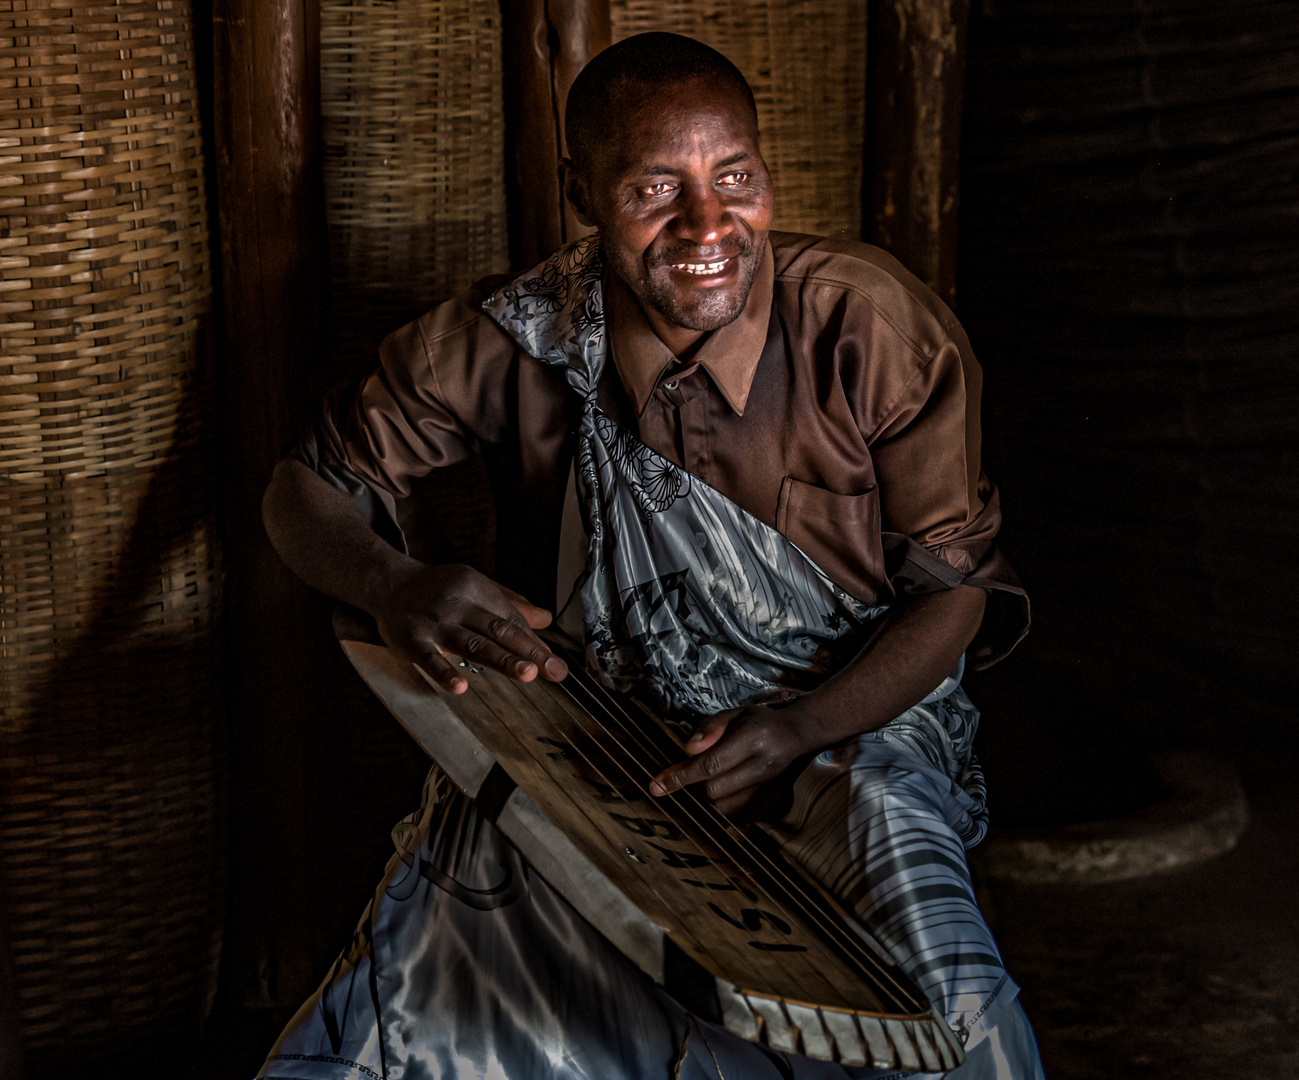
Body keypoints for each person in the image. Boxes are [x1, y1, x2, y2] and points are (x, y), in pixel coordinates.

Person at [257, 31, 1042, 1080]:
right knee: (450, 953)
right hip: (606, 737)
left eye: (737, 179)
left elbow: (958, 598)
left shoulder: (869, 325)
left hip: (852, 727)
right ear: (583, 193)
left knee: (928, 994)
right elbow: (304, 488)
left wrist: (798, 728)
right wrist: (391, 581)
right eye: (653, 188)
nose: (708, 225)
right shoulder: (523, 335)